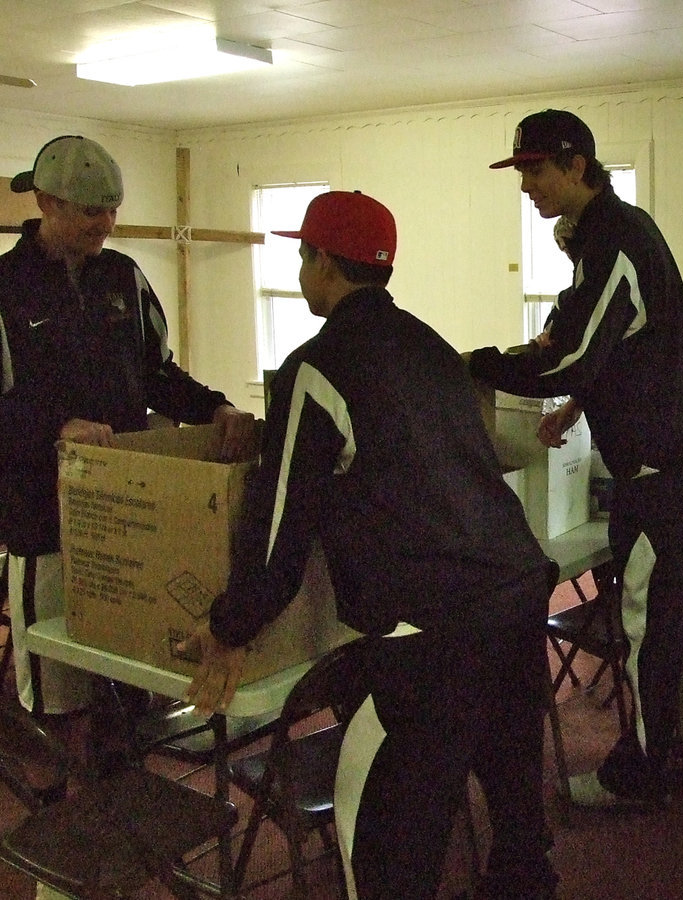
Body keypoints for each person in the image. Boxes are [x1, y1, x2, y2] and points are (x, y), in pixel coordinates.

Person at [179, 190, 559, 900]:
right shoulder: (433, 347)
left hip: (436, 627)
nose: (300, 269)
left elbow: (278, 520)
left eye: (303, 255)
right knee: (513, 803)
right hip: (516, 586)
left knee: (393, 841)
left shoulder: (314, 368)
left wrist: (231, 626)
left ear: (323, 262)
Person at [469, 109, 683, 807]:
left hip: (661, 469)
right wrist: (579, 405)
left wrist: (480, 367)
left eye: (535, 170)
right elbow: (626, 354)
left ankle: (642, 773)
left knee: (648, 621)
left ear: (576, 167)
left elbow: (575, 354)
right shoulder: (608, 237)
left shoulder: (615, 242)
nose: (526, 185)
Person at [0, 134, 256, 718]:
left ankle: (127, 775)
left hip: (124, 511)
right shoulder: (6, 289)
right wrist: (55, 427)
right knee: (60, 688)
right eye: (93, 211)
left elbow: (158, 374)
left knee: (130, 671)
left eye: (114, 209)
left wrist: (216, 408)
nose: (107, 223)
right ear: (47, 203)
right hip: (42, 518)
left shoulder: (124, 277)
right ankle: (63, 798)